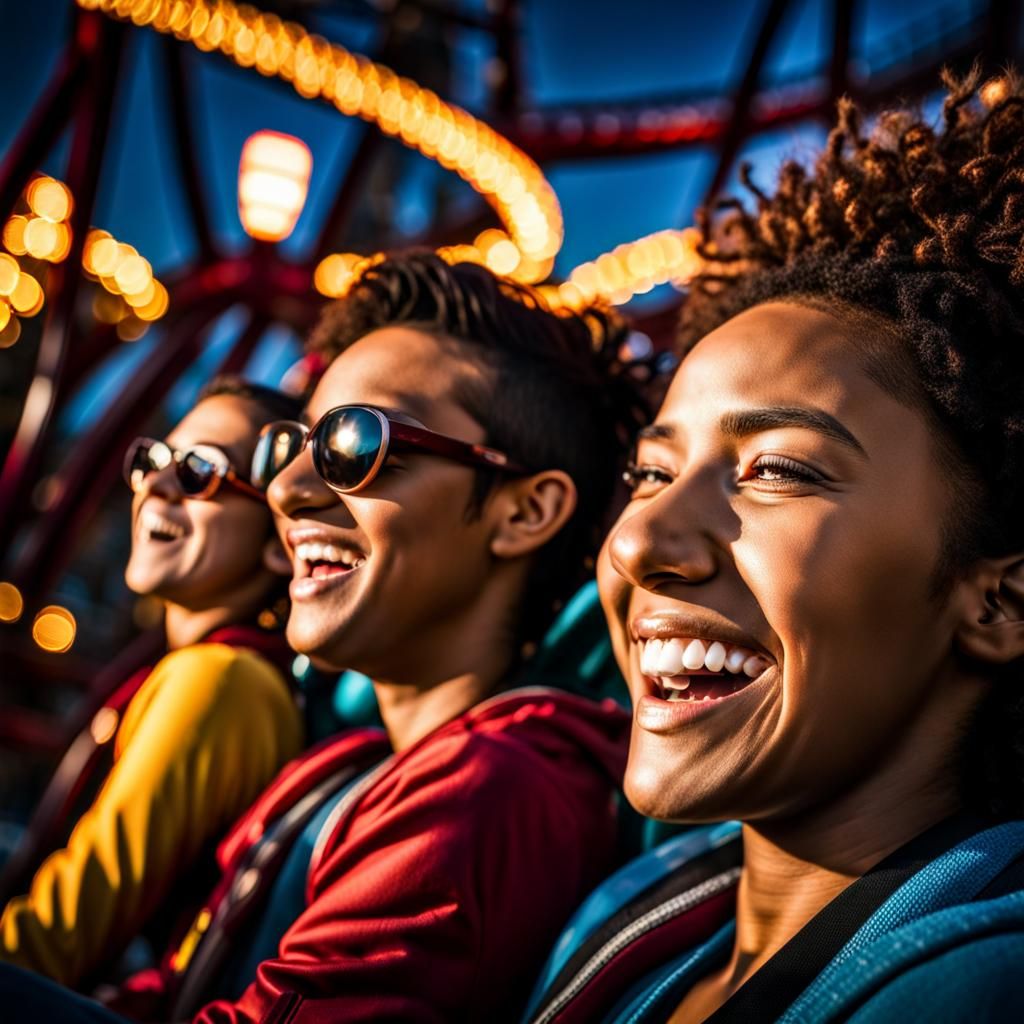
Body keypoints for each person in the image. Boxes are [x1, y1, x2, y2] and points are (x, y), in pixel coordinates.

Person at [0, 253, 648, 1022]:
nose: (286, 489)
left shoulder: (491, 790)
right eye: (291, 447)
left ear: (525, 512)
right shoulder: (356, 762)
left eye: (352, 445)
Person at [523, 70, 1024, 1024]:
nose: (640, 540)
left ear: (998, 604)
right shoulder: (630, 914)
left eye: (778, 471)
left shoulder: (973, 993)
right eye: (651, 475)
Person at [0, 378, 304, 990]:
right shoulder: (215, 668)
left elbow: (61, 937)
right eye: (153, 459)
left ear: (279, 540)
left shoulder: (219, 680)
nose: (156, 485)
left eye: (199, 470)